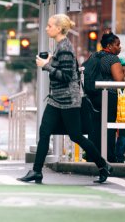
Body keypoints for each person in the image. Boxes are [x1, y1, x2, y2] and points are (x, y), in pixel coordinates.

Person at [17, 14, 112, 184]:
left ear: (59, 28)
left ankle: (103, 165)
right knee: (44, 132)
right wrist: (50, 62)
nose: (46, 28)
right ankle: (36, 171)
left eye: (49, 25)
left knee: (76, 135)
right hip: (56, 99)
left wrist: (46, 66)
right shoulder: (60, 46)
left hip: (68, 100)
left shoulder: (65, 48)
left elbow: (67, 76)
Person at [88, 31, 124, 163]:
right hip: (109, 96)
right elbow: (119, 80)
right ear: (109, 46)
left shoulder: (94, 56)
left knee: (95, 126)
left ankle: (92, 156)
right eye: (117, 45)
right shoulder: (112, 58)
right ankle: (109, 156)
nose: (119, 47)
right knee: (109, 126)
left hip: (93, 96)